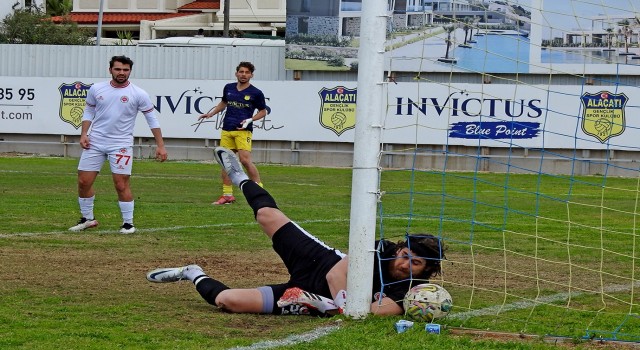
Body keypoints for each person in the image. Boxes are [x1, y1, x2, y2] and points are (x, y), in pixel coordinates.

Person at [146, 147, 445, 316]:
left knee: (228, 301)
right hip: (318, 262)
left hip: (312, 297)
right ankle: (239, 177)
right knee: (266, 215)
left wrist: (318, 304)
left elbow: (374, 314)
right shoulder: (381, 249)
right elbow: (336, 275)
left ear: (425, 271)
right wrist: (337, 306)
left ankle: (191, 272)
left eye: (415, 263)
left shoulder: (412, 292)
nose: (405, 263)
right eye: (406, 255)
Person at [68, 55, 168, 234]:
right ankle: (87, 219)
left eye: (125, 70)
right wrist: (84, 133)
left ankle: (128, 223)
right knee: (83, 182)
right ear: (110, 70)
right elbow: (89, 110)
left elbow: (152, 119)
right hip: (95, 142)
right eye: (118, 69)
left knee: (121, 184)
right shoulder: (97, 89)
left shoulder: (138, 93)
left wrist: (160, 145)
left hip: (120, 144)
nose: (122, 73)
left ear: (130, 71)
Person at [198, 61, 268, 205]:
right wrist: (210, 114)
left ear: (251, 75)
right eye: (241, 72)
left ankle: (260, 192)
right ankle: (227, 195)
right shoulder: (228, 88)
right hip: (227, 129)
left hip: (243, 131)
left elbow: (263, 111)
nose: (244, 75)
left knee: (245, 161)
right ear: (236, 73)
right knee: (226, 163)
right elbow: (224, 103)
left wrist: (250, 120)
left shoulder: (256, 93)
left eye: (247, 72)